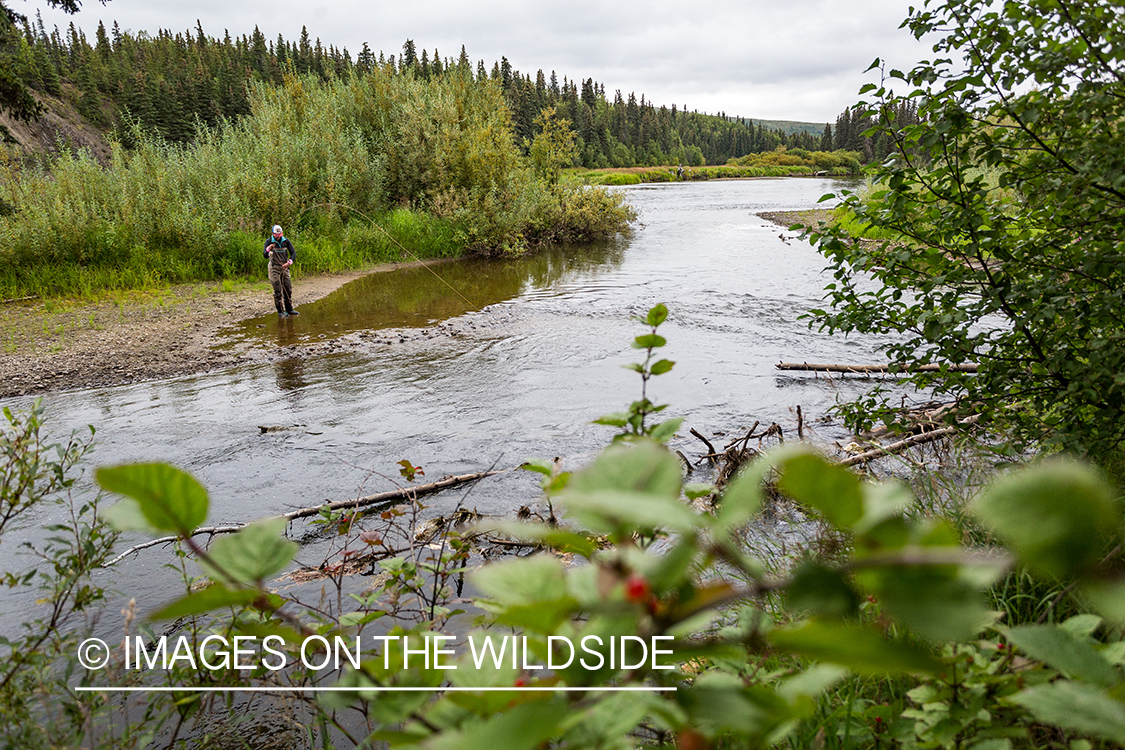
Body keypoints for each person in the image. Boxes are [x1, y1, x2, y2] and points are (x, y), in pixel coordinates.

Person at [263, 224, 299, 317]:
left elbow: (293, 253)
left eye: (280, 234)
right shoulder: (269, 241)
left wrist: (289, 262)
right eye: (276, 234)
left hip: (284, 268)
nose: (278, 236)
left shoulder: (286, 241)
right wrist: (268, 249)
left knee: (288, 289)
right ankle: (280, 312)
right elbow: (264, 255)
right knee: (278, 290)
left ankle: (289, 309)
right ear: (273, 234)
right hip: (274, 268)